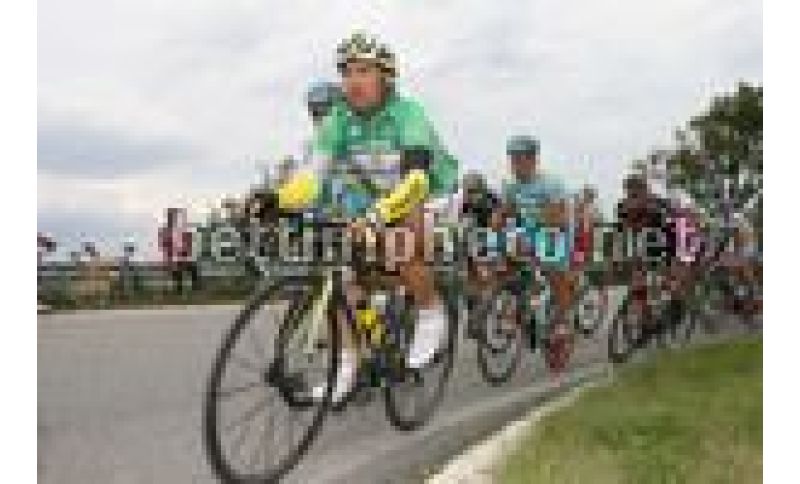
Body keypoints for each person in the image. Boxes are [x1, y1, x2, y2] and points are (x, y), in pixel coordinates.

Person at [273, 31, 459, 402]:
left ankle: (430, 312)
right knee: (345, 277)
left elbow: (416, 180)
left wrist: (380, 215)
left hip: (432, 192)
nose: (352, 81)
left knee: (402, 238)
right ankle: (347, 367)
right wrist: (276, 201)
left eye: (363, 71)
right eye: (346, 73)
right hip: (378, 198)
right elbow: (312, 176)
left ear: (386, 77)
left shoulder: (408, 113)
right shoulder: (338, 118)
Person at [499, 135, 577, 372]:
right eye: (512, 159)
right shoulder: (511, 185)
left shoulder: (551, 183)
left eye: (520, 159)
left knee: (553, 273)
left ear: (533, 160)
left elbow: (557, 218)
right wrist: (491, 228)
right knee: (503, 260)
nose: (515, 164)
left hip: (556, 230)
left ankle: (562, 321)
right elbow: (505, 212)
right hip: (530, 231)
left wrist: (529, 237)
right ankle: (514, 307)